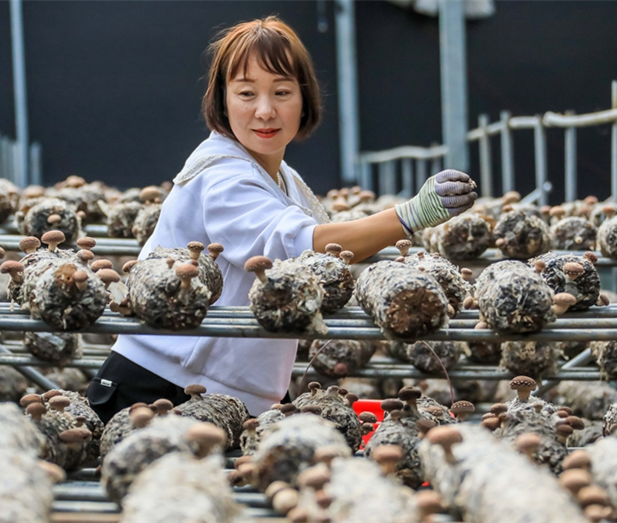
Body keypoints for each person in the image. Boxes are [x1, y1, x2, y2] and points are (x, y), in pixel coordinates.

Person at [86, 16, 477, 421]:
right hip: (161, 387)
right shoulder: (222, 173)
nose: (265, 110)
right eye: (246, 93)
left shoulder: (283, 177)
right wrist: (411, 214)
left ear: (305, 99)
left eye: (282, 92)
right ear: (222, 99)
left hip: (232, 392)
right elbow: (298, 248)